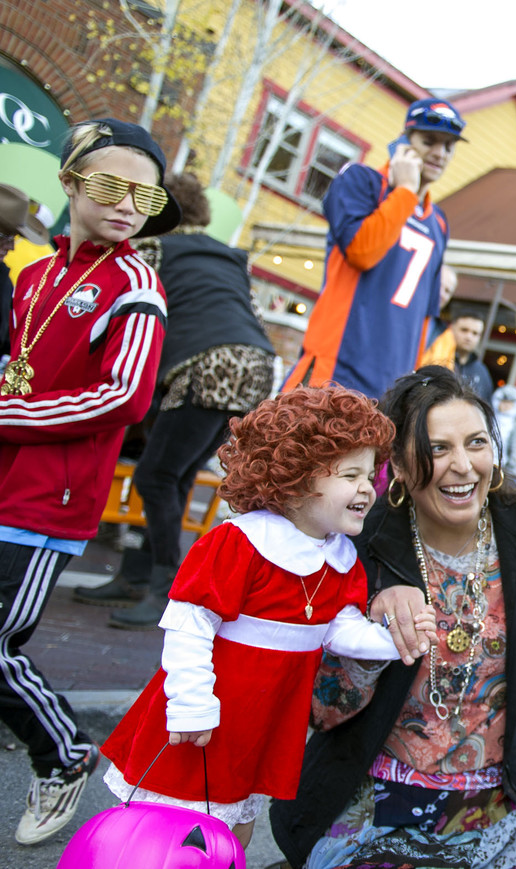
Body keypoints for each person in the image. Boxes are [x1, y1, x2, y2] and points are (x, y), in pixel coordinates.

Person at [269, 366, 516, 869]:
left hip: (500, 802)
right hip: (372, 799)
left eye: (476, 443)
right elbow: (322, 709)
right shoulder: (359, 546)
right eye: (438, 449)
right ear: (399, 465)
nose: (463, 466)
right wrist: (371, 635)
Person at [98, 386, 430, 847]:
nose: (365, 488)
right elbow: (190, 622)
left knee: (236, 823)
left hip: (264, 721)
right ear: (296, 477)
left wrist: (398, 641)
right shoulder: (240, 542)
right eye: (350, 474)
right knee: (167, 823)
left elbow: (338, 627)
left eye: (368, 473)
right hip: (209, 712)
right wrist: (192, 701)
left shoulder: (340, 557)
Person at [0, 117, 181, 845]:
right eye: (110, 185)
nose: (128, 204)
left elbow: (125, 396)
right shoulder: (38, 274)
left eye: (146, 194)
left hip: (52, 500)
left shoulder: (135, 282)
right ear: (70, 181)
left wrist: (10, 414)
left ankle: (64, 753)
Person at [74, 171, 279, 628]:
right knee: (176, 476)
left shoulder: (152, 250)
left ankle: (165, 588)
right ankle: (138, 575)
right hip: (257, 364)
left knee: (155, 476)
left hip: (206, 365)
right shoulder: (227, 256)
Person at [284, 98, 465, 400]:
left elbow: (425, 315)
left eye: (449, 146)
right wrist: (405, 191)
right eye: (429, 141)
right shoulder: (362, 180)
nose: (439, 153)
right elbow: (362, 251)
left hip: (390, 387)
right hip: (335, 373)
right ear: (405, 141)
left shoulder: (439, 223)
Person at [0, 183, 52, 359]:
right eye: (4, 236)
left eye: (14, 238)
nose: (11, 247)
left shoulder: (3, 279)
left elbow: (6, 338)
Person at [449, 309, 495, 402]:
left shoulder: (482, 372)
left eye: (475, 333)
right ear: (452, 329)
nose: (469, 337)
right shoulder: (436, 358)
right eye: (464, 330)